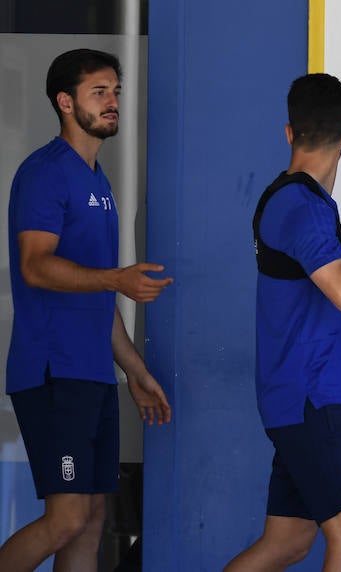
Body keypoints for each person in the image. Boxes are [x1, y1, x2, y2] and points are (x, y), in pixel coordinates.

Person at [0, 48, 173, 571]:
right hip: (53, 372)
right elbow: (35, 266)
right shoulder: (45, 173)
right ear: (65, 102)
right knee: (67, 518)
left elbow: (99, 297)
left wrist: (136, 372)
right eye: (99, 92)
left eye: (116, 91)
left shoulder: (98, 181)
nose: (112, 102)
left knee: (93, 518)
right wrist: (117, 279)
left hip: (92, 375)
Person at [224, 73, 341, 572]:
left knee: (288, 542)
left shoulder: (302, 202)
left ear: (289, 132)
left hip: (300, 397)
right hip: (309, 398)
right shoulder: (299, 205)